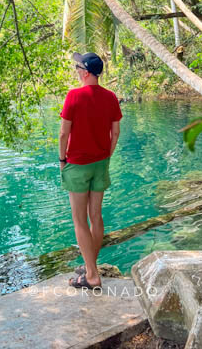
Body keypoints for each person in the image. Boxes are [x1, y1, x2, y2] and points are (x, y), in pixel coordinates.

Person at [59, 51, 122, 290]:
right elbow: (115, 133)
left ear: (85, 72)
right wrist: (107, 154)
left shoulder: (74, 96)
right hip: (100, 163)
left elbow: (64, 133)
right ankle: (90, 266)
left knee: (79, 219)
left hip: (77, 164)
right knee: (96, 216)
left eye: (77, 68)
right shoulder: (111, 97)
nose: (76, 71)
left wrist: (62, 160)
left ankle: (92, 276)